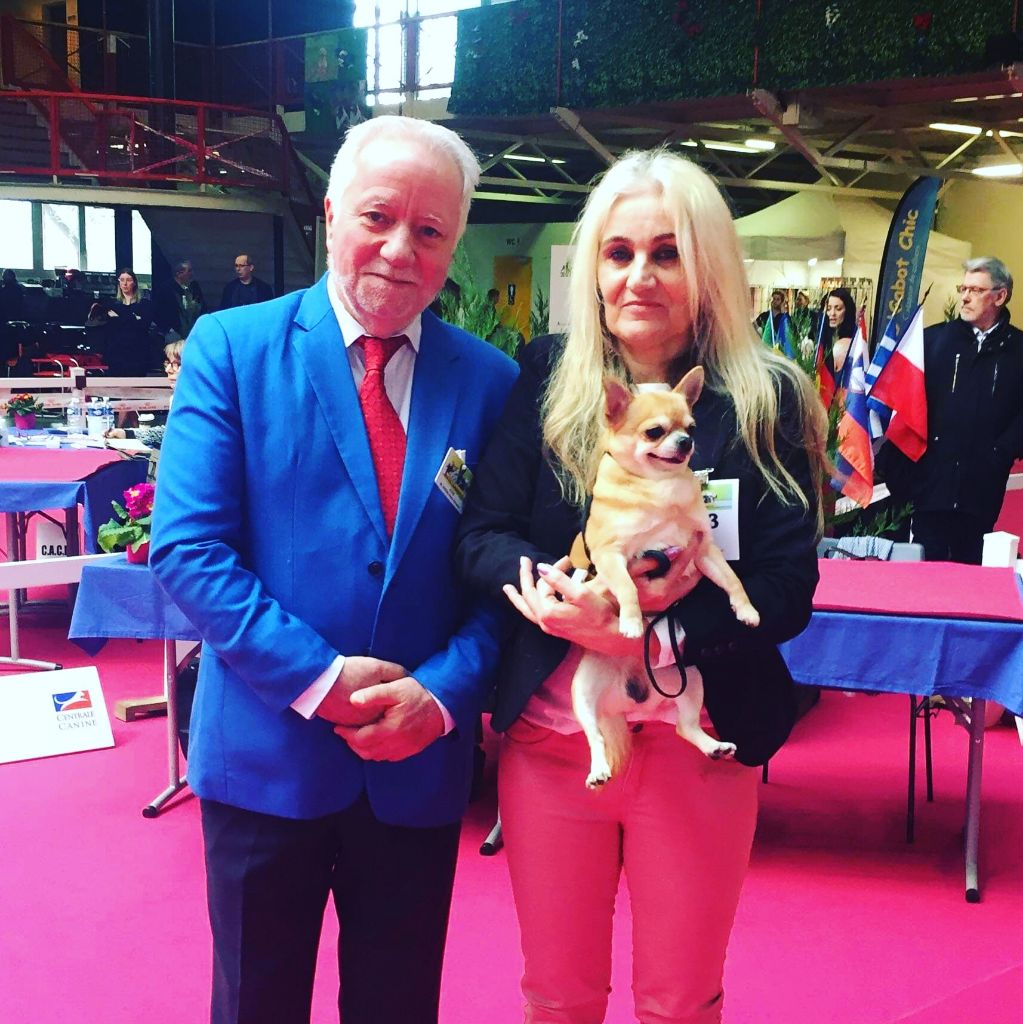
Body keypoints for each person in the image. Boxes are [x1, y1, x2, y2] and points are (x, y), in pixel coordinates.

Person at [150, 115, 517, 1024]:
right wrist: (319, 680)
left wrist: (440, 696)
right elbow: (189, 549)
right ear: (328, 213)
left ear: (454, 244)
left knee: (398, 1006)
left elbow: (502, 574)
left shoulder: (491, 383)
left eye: (428, 230)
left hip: (416, 765)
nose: (399, 250)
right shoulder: (231, 348)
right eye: (377, 218)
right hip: (265, 756)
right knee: (256, 1004)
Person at [454, 148, 827, 1024]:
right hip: (554, 745)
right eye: (618, 254)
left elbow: (786, 585)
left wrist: (651, 630)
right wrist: (560, 594)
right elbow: (483, 534)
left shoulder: (765, 399)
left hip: (700, 744)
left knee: (679, 1002)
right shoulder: (546, 377)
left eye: (667, 253)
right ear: (592, 268)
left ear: (708, 267)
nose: (639, 277)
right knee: (556, 997)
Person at [878, 256, 1023, 564]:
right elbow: (905, 402)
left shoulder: (1018, 350)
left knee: (970, 566)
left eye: (976, 290)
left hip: (982, 485)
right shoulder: (934, 340)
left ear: (1000, 296)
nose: (965, 297)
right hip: (931, 482)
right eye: (963, 288)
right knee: (927, 567)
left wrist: (1001, 451)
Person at [104, 338, 184, 449]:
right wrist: (125, 433)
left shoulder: (202, 403)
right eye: (168, 363)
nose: (168, 370)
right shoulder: (177, 398)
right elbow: (167, 434)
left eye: (177, 364)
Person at [92, 268, 161, 376]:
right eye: (122, 280)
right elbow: (109, 330)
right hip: (116, 354)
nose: (125, 283)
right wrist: (133, 318)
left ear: (134, 282)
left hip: (138, 353)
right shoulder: (112, 305)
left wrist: (118, 318)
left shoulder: (145, 304)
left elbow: (143, 326)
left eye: (128, 280)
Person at [155, 258, 206, 338]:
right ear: (179, 273)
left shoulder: (195, 287)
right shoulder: (165, 290)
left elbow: (203, 308)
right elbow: (159, 314)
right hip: (174, 335)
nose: (192, 274)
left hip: (194, 333)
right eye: (189, 271)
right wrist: (170, 331)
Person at [823, 286, 857, 380]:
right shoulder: (822, 339)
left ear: (847, 311)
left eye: (838, 309)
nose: (832, 313)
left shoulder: (850, 342)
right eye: (828, 309)